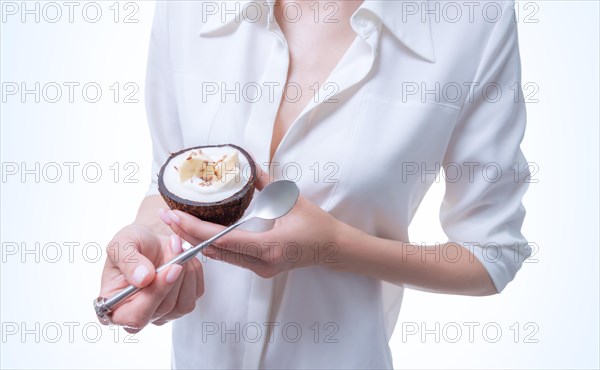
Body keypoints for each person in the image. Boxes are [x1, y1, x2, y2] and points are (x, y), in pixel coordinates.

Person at [97, 0, 532, 368]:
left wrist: (335, 247)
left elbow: (490, 255)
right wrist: (152, 242)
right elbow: (166, 185)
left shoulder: (474, 21)